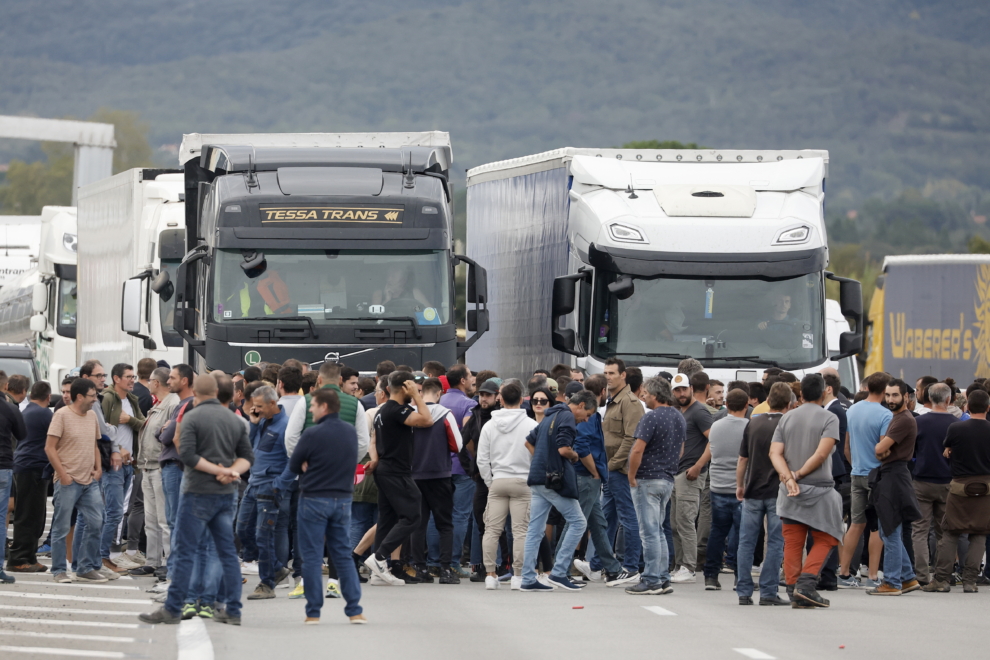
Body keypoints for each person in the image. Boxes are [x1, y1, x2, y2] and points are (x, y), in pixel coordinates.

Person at [139, 374, 254, 625]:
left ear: (197, 395)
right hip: (226, 495)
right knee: (226, 551)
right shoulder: (235, 420)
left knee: (185, 550)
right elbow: (247, 457)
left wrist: (216, 470)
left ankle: (173, 607)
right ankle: (232, 609)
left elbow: (188, 456)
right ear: (215, 392)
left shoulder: (191, 417)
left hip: (197, 492)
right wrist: (231, 470)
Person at [285, 360, 369, 599]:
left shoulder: (307, 401)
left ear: (318, 380)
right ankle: (334, 580)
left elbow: (291, 437)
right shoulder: (355, 404)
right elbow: (362, 440)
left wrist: (301, 462)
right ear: (341, 380)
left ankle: (303, 580)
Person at [769, 374, 843, 609]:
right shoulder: (829, 418)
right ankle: (807, 584)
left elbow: (775, 453)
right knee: (828, 536)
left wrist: (788, 478)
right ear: (824, 393)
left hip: (789, 491)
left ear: (800, 395)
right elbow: (822, 454)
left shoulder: (787, 417)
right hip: (820, 488)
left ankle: (792, 587)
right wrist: (798, 474)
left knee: (792, 540)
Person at [519, 390, 596, 591]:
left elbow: (528, 441)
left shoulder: (550, 415)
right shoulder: (568, 417)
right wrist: (574, 456)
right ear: (580, 405)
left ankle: (527, 578)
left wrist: (542, 461)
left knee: (535, 529)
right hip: (553, 481)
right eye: (587, 414)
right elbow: (563, 448)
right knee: (579, 522)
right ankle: (559, 572)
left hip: (537, 478)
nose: (586, 419)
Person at [365, 371, 434, 585]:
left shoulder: (382, 410)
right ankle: (378, 558)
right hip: (396, 470)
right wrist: (417, 396)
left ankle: (379, 570)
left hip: (385, 468)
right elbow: (427, 419)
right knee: (413, 516)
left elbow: (374, 440)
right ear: (405, 388)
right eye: (414, 386)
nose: (417, 390)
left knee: (387, 518)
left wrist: (375, 459)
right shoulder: (398, 410)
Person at [924, 389, 990, 593]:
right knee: (979, 534)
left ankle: (942, 579)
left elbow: (948, 448)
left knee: (950, 532)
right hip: (986, 488)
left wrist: (949, 450)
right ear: (988, 408)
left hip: (959, 486)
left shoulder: (955, 428)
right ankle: (970, 581)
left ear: (967, 407)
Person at [624, 376, 684, 595]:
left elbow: (637, 449)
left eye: (646, 394)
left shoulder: (650, 418)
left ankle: (651, 580)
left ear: (656, 396)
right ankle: (662, 577)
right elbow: (681, 450)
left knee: (649, 532)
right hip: (667, 479)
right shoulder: (679, 417)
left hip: (647, 479)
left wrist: (631, 475)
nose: (644, 397)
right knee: (658, 530)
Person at [476, 380, 537, 590]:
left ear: (500, 400)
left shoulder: (490, 425)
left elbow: (482, 459)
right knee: (520, 531)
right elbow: (537, 456)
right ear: (522, 400)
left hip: (498, 481)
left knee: (492, 530)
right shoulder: (531, 425)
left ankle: (490, 575)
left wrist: (490, 481)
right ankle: (518, 575)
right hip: (523, 481)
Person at [735, 382, 791, 606]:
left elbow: (743, 459)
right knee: (775, 541)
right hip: (778, 490)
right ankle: (768, 591)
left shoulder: (753, 423)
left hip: (753, 488)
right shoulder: (787, 424)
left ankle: (744, 591)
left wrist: (740, 484)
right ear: (788, 403)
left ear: (768, 400)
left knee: (746, 541)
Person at [46, 378, 106, 583]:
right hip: (68, 481)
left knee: (97, 521)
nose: (95, 399)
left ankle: (85, 567)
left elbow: (94, 446)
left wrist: (98, 468)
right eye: (92, 396)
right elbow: (49, 448)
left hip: (89, 481)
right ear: (79, 396)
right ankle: (59, 570)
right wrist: (62, 475)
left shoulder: (92, 416)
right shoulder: (61, 415)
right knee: (62, 527)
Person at [568, 376, 626, 587]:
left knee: (598, 523)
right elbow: (582, 446)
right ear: (603, 391)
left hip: (590, 476)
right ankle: (560, 569)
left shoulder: (589, 413)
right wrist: (594, 472)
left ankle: (612, 569)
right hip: (586, 475)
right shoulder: (589, 415)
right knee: (577, 523)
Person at [866, 379, 921, 596]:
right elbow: (881, 450)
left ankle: (892, 582)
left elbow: (879, 448)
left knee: (889, 530)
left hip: (895, 476)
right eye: (887, 395)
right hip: (892, 475)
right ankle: (907, 578)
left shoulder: (903, 419)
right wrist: (881, 451)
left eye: (895, 395)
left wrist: (881, 450)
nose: (890, 399)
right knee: (890, 530)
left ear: (906, 396)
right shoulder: (898, 417)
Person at [837, 371, 892, 588]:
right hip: (876, 475)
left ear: (867, 387)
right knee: (876, 527)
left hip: (856, 472)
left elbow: (846, 446)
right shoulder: (885, 415)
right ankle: (872, 576)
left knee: (856, 524)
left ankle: (843, 572)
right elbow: (882, 450)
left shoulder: (853, 409)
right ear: (885, 391)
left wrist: (855, 463)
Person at [410, 378, 463, 584]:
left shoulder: (413, 415)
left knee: (418, 523)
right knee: (445, 524)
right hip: (440, 474)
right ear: (440, 393)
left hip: (415, 474)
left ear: (422, 393)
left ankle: (419, 568)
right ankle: (445, 569)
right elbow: (457, 445)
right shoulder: (445, 414)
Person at [597, 358, 644, 585]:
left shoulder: (630, 402)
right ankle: (599, 563)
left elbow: (631, 438)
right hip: (610, 469)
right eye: (605, 372)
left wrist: (614, 464)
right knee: (606, 517)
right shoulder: (612, 400)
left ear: (623, 375)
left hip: (619, 469)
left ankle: (631, 567)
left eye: (612, 373)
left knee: (627, 517)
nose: (608, 376)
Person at [129, 368, 178, 578]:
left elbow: (168, 434)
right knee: (151, 518)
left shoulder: (172, 404)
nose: (147, 384)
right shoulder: (157, 404)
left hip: (160, 466)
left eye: (150, 381)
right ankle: (153, 560)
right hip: (148, 465)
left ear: (157, 383)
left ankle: (168, 562)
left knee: (164, 519)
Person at [245, 385, 292, 600]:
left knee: (263, 535)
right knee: (242, 530)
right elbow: (250, 447)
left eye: (260, 406)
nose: (256, 410)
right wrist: (254, 425)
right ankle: (275, 568)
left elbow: (294, 459)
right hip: (254, 482)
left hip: (269, 484)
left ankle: (267, 583)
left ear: (273, 403)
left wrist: (279, 484)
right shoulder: (262, 420)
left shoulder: (286, 425)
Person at [100, 363, 146, 572]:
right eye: (128, 377)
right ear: (116, 379)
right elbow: (102, 430)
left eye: (134, 377)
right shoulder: (109, 398)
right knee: (115, 510)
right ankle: (112, 553)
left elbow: (143, 425)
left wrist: (130, 419)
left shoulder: (133, 400)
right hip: (114, 463)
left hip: (132, 463)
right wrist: (117, 449)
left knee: (124, 509)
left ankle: (115, 553)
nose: (132, 380)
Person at [702, 388, 748, 590]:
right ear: (746, 407)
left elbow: (712, 451)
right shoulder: (749, 426)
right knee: (741, 533)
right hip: (741, 487)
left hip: (718, 485)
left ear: (727, 405)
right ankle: (740, 576)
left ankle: (711, 575)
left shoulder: (716, 426)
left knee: (717, 531)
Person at [670, 372, 713, 583]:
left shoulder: (699, 412)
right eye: (677, 390)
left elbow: (714, 441)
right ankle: (680, 565)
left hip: (690, 473)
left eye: (684, 389)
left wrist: (698, 465)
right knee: (675, 523)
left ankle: (689, 567)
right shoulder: (681, 410)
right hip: (678, 472)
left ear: (691, 389)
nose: (681, 393)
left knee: (686, 522)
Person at [910, 382, 954, 584]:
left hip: (922, 480)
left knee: (919, 530)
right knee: (944, 531)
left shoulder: (919, 422)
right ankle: (942, 575)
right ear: (948, 399)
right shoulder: (955, 423)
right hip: (947, 482)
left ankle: (921, 575)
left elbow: (912, 451)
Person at [438, 365, 478, 576]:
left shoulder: (440, 401)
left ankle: (434, 560)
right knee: (460, 515)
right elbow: (468, 436)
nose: (473, 379)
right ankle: (453, 561)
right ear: (462, 380)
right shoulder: (469, 404)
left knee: (438, 515)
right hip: (462, 467)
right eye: (470, 376)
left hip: (441, 466)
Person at [462, 378, 501, 581]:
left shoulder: (501, 416)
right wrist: (472, 467)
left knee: (502, 524)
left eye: (487, 395)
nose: (483, 398)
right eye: (481, 395)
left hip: (502, 475)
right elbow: (462, 442)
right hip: (481, 477)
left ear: (497, 397)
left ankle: (503, 565)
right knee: (481, 520)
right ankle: (486, 567)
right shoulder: (475, 415)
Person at [6, 381, 39, 574]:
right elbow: (21, 434)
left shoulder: (14, 408)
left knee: (9, 507)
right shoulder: (11, 408)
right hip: (9, 463)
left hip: (11, 463)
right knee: (9, 507)